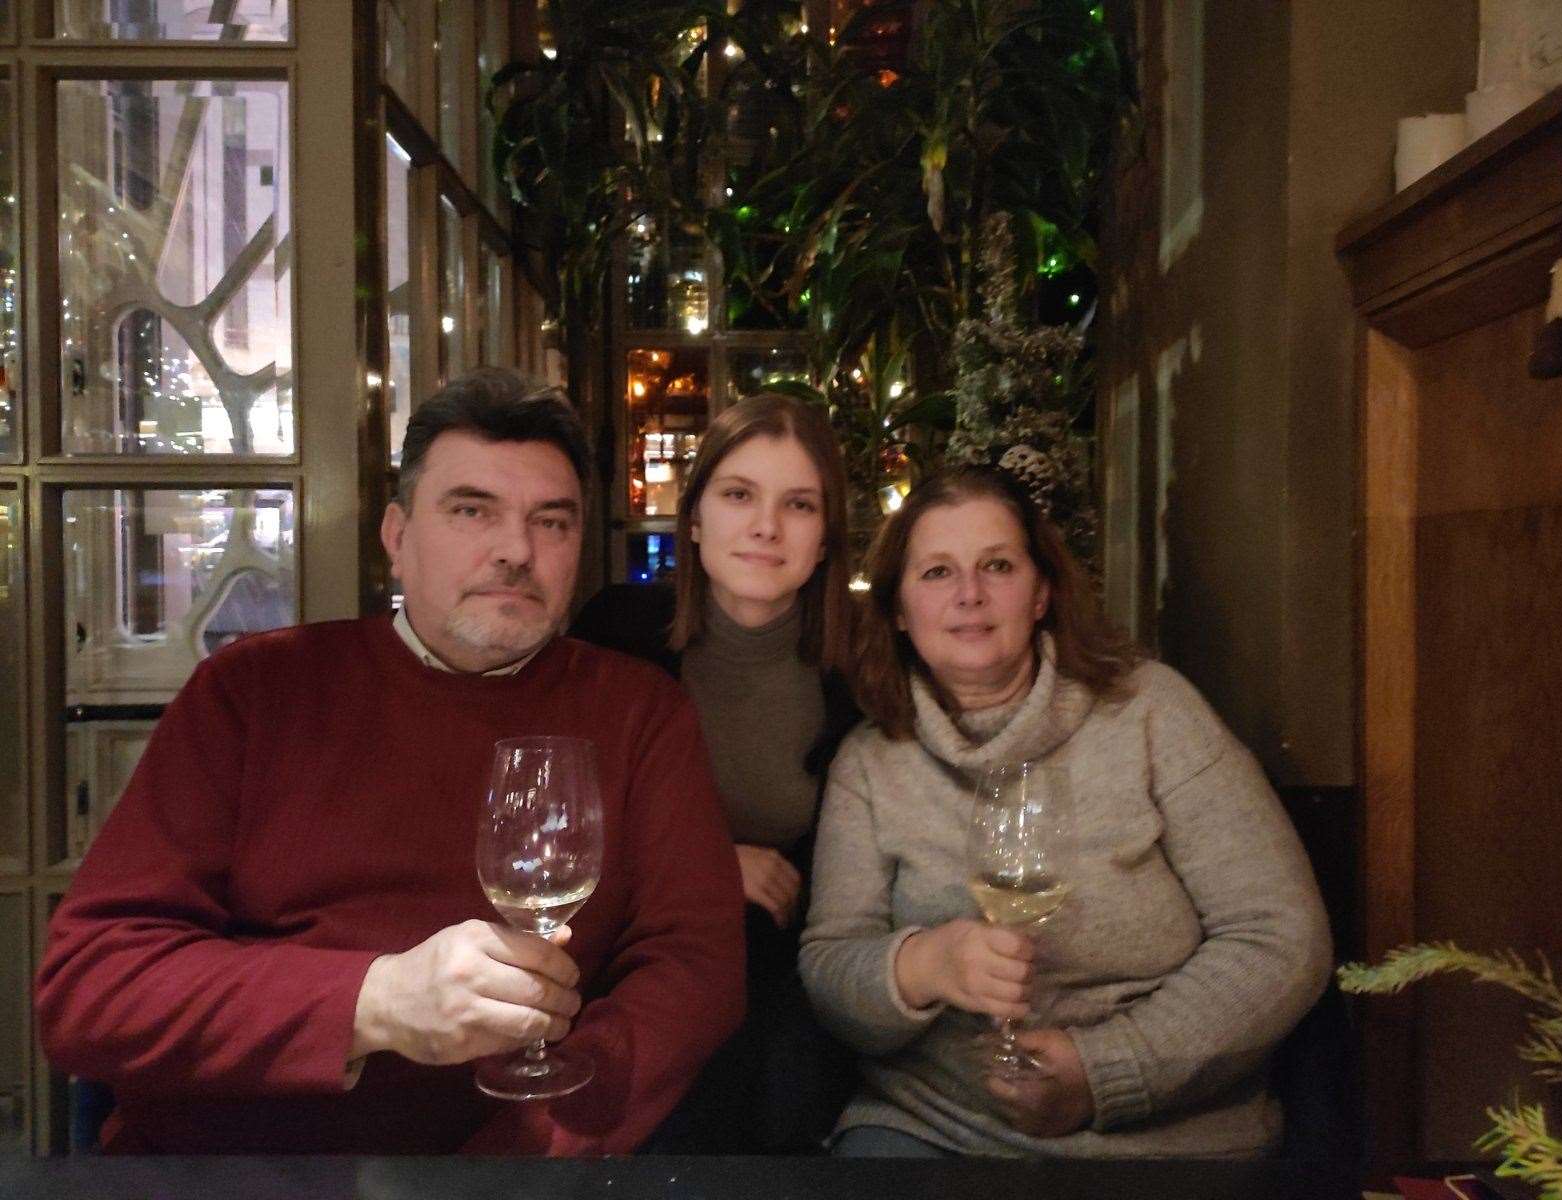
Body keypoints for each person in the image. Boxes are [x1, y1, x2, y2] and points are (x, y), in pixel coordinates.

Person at [34, 368, 746, 1155]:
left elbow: (696, 969)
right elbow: (89, 987)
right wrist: (375, 1003)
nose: (516, 550)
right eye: (472, 510)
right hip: (236, 1163)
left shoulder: (637, 711)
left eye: (552, 522)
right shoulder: (255, 691)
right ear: (397, 538)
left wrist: (525, 1150)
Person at [800, 465, 1332, 1158]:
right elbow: (830, 970)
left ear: (1043, 590)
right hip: (935, 1133)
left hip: (1167, 1142)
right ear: (898, 607)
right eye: (936, 572)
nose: (969, 594)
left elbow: (1282, 937)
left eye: (997, 565)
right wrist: (926, 964)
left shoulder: (1152, 712)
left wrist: (1107, 1070)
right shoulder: (871, 761)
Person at [569, 393, 857, 1152]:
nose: (766, 526)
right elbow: (553, 822)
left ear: (826, 538)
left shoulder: (862, 670)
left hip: (780, 977)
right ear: (693, 519)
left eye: (799, 504)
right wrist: (705, 866)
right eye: (739, 495)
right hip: (624, 958)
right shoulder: (615, 634)